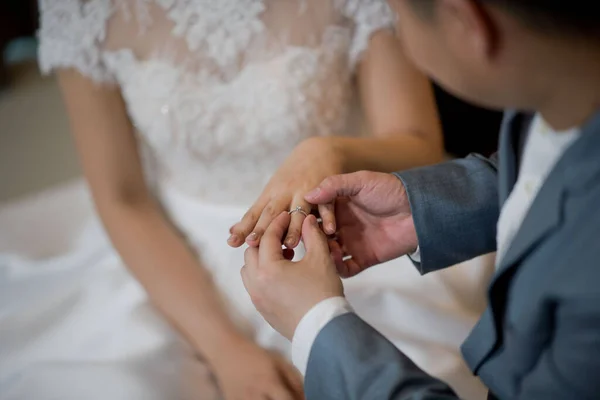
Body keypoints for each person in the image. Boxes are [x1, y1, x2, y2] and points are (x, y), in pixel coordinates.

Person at [0, 1, 492, 399]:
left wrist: (329, 149)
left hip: (343, 226)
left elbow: (416, 139)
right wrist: (224, 348)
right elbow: (122, 195)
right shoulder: (81, 9)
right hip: (169, 250)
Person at [241, 0, 600, 399]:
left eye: (396, 15)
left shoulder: (589, 289)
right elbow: (545, 171)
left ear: (465, 20)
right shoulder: (565, 92)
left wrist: (316, 322)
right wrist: (419, 210)